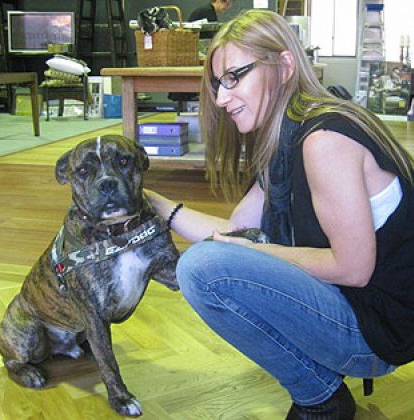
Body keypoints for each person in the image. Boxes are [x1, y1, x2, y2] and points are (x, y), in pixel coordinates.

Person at [147, 9, 414, 419]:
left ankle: (320, 399)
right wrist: (156, 204)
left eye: (236, 76)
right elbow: (238, 231)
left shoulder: (324, 139)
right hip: (355, 308)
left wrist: (247, 251)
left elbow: (353, 267)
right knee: (207, 264)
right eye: (219, 83)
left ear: (284, 65)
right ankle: (325, 396)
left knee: (203, 269)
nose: (221, 98)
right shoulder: (286, 136)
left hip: (380, 333)